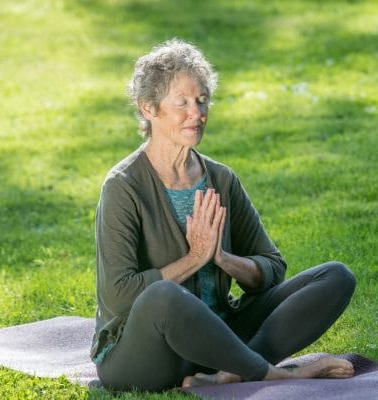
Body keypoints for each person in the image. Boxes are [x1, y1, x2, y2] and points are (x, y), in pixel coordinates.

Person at [91, 38, 357, 392]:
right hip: (145, 356)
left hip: (220, 341)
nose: (197, 113)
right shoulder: (124, 187)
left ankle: (235, 371)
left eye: (202, 101)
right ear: (148, 108)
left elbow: (272, 269)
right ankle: (274, 374)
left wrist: (223, 259)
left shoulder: (221, 179)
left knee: (335, 277)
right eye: (182, 102)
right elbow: (120, 296)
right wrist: (195, 258)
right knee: (163, 297)